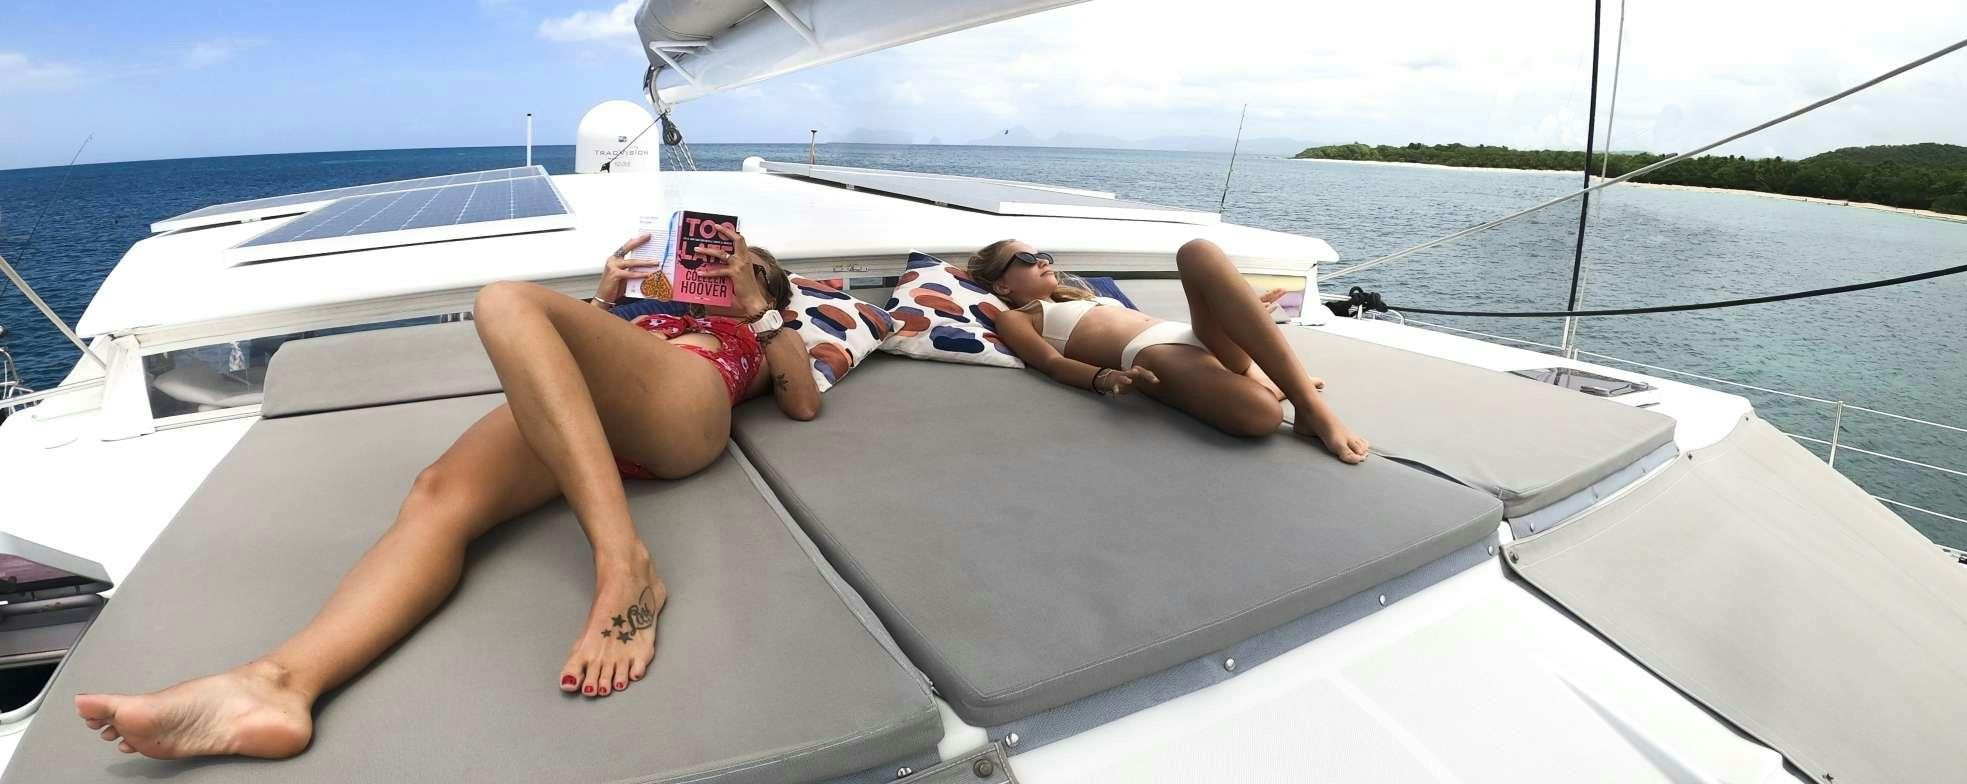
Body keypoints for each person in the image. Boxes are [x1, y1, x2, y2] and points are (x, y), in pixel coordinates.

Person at [74, 228, 816, 761]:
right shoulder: (645, 311)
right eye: (719, 263)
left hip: (685, 406)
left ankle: (627, 570)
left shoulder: (759, 329)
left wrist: (756, 306)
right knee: (437, 494)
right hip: (595, 415)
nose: (724, 270)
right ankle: (275, 685)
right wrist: (606, 299)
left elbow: (803, 405)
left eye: (743, 264)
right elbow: (564, 364)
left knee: (504, 302)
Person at [969, 238, 1370, 463]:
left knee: (1197, 251)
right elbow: (1053, 365)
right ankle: (1281, 387)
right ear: (1003, 286)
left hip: (1183, 335)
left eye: (1042, 254)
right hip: (1153, 356)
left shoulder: (1086, 298)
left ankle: (1311, 409)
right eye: (1024, 258)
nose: (1040, 259)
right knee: (1263, 415)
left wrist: (1240, 310)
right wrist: (1104, 377)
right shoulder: (1019, 318)